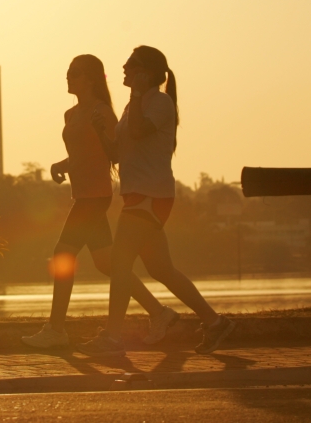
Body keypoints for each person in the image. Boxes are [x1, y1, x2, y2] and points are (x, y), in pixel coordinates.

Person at [79, 45, 235, 356]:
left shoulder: (160, 102)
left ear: (146, 73)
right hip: (140, 196)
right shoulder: (132, 105)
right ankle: (216, 323)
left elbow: (138, 132)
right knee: (162, 269)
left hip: (150, 196)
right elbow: (117, 154)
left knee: (119, 263)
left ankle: (112, 338)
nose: (124, 68)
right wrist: (101, 132)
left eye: (130, 64)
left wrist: (136, 95)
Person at [22, 54, 179, 349]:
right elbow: (82, 155)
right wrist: (61, 165)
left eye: (75, 72)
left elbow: (114, 152)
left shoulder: (102, 112)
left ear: (91, 79)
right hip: (83, 194)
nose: (69, 76)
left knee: (62, 254)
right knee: (108, 263)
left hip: (96, 196)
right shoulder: (71, 115)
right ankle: (159, 313)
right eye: (68, 71)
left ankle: (56, 330)